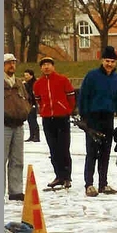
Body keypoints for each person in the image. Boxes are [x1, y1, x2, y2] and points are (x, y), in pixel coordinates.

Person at [77, 46, 117, 197]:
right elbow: (84, 96)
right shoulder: (92, 76)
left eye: (112, 61)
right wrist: (83, 117)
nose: (109, 64)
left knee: (105, 151)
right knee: (92, 152)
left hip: (108, 117)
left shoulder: (116, 78)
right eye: (107, 61)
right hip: (93, 117)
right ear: (102, 61)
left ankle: (103, 183)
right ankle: (89, 184)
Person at [33, 57, 76, 189]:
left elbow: (71, 97)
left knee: (64, 148)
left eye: (48, 64)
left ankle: (67, 177)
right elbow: (38, 100)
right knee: (53, 148)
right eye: (44, 65)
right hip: (47, 118)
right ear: (41, 68)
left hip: (61, 118)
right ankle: (59, 176)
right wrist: (44, 109)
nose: (46, 67)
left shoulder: (62, 80)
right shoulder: (38, 84)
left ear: (53, 66)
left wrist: (67, 109)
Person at [4, 53, 30, 201]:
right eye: (8, 63)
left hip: (19, 125)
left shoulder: (19, 83)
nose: (11, 65)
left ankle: (15, 191)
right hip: (4, 126)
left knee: (17, 160)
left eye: (13, 63)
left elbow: (27, 99)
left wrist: (26, 110)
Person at [22, 69, 40, 142]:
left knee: (33, 120)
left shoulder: (34, 83)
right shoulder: (27, 83)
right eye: (24, 75)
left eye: (27, 75)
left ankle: (36, 136)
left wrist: (34, 104)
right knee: (30, 120)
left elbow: (32, 94)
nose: (25, 77)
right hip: (28, 104)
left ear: (31, 76)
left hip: (33, 104)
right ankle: (32, 135)